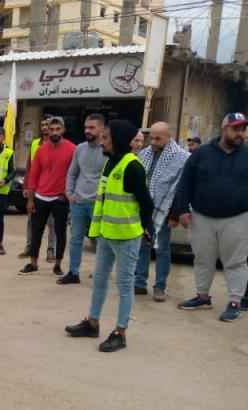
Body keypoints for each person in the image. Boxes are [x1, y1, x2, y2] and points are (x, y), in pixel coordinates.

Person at [65, 120, 154, 353]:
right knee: (100, 280)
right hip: (105, 234)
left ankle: (120, 332)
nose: (101, 141)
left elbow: (147, 203)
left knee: (125, 285)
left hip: (126, 236)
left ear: (117, 140)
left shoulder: (132, 167)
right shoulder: (110, 163)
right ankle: (92, 323)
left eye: (106, 138)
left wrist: (145, 228)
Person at [172, 112, 248, 322]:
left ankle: (235, 302)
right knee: (203, 259)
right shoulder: (201, 154)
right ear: (224, 129)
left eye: (243, 129)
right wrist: (182, 210)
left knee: (236, 262)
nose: (240, 133)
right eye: (236, 128)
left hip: (238, 217)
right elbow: (185, 183)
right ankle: (202, 296)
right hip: (202, 217)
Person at [134, 122, 190, 301]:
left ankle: (160, 287)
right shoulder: (144, 154)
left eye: (158, 138)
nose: (153, 141)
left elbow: (181, 188)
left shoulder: (182, 157)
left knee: (162, 250)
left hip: (164, 211)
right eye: (152, 137)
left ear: (168, 137)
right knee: (142, 246)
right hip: (144, 209)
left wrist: (174, 214)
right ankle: (140, 283)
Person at [20, 117, 75, 276]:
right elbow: (33, 175)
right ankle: (33, 263)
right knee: (36, 231)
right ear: (47, 131)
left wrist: (67, 193)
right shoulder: (41, 149)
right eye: (52, 129)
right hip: (40, 197)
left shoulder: (72, 149)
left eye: (58, 129)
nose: (54, 132)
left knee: (60, 232)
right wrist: (30, 199)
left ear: (63, 130)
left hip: (60, 198)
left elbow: (74, 173)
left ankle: (57, 264)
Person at [58, 113, 107, 284]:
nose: (87, 130)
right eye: (86, 127)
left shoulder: (107, 149)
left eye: (92, 127)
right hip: (78, 202)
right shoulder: (80, 148)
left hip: (98, 204)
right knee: (76, 239)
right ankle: (73, 272)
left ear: (101, 128)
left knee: (99, 241)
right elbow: (72, 172)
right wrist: (69, 193)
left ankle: (100, 272)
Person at [21, 117, 57, 259]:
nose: (44, 127)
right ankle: (29, 248)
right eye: (42, 125)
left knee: (52, 222)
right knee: (31, 220)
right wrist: (26, 186)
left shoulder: (56, 144)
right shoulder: (35, 143)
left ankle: (51, 250)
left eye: (47, 125)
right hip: (35, 188)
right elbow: (29, 167)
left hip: (51, 189)